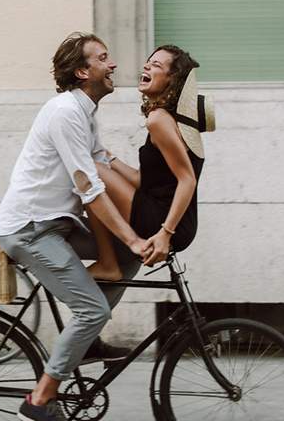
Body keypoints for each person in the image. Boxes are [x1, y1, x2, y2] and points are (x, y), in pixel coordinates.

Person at [0, 32, 151, 421]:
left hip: (55, 224)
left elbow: (105, 164)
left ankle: (87, 341)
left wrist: (160, 197)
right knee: (93, 305)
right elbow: (91, 186)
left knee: (123, 259)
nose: (112, 64)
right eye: (103, 58)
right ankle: (40, 400)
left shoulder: (86, 111)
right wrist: (134, 237)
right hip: (29, 230)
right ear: (83, 72)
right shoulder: (65, 111)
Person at [86, 45, 214, 282]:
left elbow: (188, 180)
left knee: (87, 173)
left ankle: (107, 263)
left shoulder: (159, 120)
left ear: (171, 80)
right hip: (175, 220)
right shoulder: (164, 118)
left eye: (156, 65)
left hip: (164, 221)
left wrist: (165, 233)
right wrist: (108, 157)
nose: (146, 66)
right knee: (95, 168)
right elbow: (142, 181)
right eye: (148, 62)